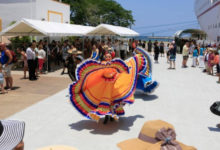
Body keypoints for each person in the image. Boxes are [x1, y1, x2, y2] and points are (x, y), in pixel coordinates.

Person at [69, 47, 158, 123]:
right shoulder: (103, 64)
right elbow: (98, 73)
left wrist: (134, 61)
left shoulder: (116, 65)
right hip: (104, 88)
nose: (107, 58)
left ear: (111, 57)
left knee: (112, 102)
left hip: (113, 87)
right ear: (104, 57)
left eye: (109, 56)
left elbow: (123, 71)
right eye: (106, 56)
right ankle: (107, 117)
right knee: (104, 103)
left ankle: (110, 116)